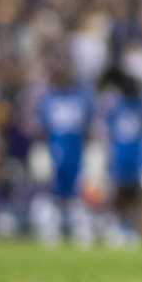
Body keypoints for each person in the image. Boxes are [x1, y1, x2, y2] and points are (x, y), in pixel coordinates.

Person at [32, 75, 94, 246]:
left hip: (76, 152)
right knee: (52, 191)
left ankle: (80, 230)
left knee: (77, 193)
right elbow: (41, 128)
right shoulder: (48, 100)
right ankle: (51, 229)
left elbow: (88, 127)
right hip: (55, 151)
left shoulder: (81, 99)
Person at [99, 72, 142, 246]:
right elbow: (107, 132)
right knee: (119, 194)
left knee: (134, 195)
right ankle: (117, 226)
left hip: (136, 158)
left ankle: (131, 227)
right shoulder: (116, 107)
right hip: (120, 157)